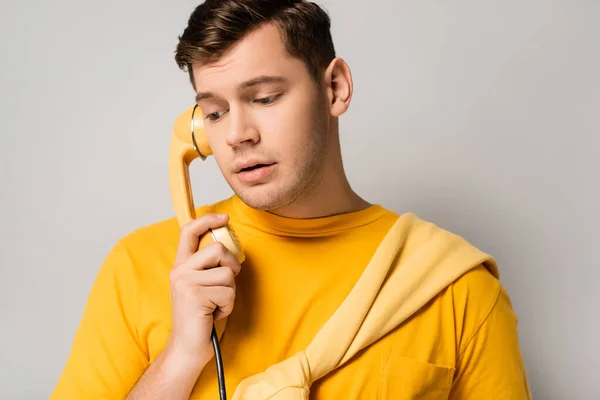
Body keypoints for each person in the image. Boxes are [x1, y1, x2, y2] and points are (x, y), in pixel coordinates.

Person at [51, 1, 531, 399]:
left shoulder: (456, 286)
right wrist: (182, 356)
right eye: (214, 112)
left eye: (264, 98)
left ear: (335, 88)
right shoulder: (140, 266)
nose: (237, 135)